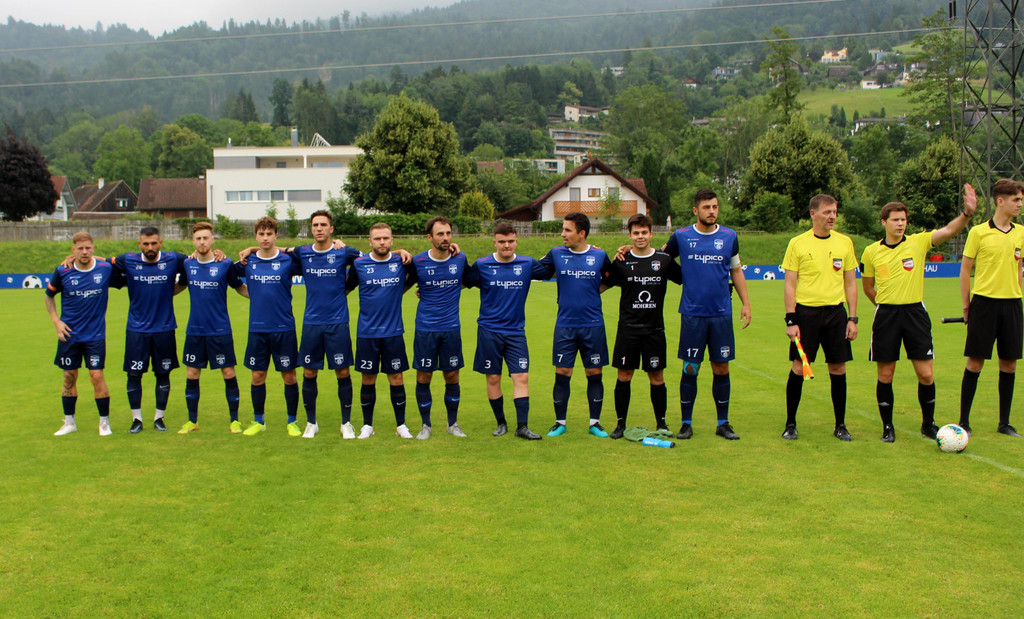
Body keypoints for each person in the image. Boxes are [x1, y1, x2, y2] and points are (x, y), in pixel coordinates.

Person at [860, 188, 977, 442]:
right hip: (886, 315)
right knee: (886, 375)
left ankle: (928, 424)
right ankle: (888, 427)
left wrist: (967, 214)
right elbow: (868, 287)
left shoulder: (918, 242)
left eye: (903, 219)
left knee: (926, 374)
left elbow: (948, 230)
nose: (900, 223)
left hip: (915, 313)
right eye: (895, 219)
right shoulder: (871, 251)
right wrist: (885, 303)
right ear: (884, 222)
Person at [664, 189, 751, 440]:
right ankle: (686, 423)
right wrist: (683, 279)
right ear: (696, 210)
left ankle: (723, 423)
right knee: (691, 368)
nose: (712, 211)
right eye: (706, 207)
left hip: (721, 313)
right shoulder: (681, 236)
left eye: (715, 207)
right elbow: (661, 259)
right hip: (693, 314)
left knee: (721, 367)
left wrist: (746, 304)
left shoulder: (729, 236)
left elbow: (736, 271)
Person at [782, 194, 859, 441]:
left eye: (834, 212)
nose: (832, 216)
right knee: (799, 366)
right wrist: (791, 320)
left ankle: (840, 425)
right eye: (827, 212)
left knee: (838, 367)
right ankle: (790, 424)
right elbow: (790, 284)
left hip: (836, 314)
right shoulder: (797, 243)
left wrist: (852, 318)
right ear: (813, 214)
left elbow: (850, 283)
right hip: (806, 314)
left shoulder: (845, 243)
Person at [464, 222, 548, 440]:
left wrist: (589, 248)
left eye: (510, 241)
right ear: (495, 242)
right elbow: (463, 282)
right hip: (489, 331)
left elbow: (554, 267)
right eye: (502, 241)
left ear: (516, 241)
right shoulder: (482, 264)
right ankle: (501, 423)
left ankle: (522, 427)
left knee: (522, 376)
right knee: (493, 378)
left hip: (516, 332)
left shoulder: (527, 264)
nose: (506, 245)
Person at [605, 213, 681, 438]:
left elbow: (686, 279)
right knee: (624, 376)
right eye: (636, 233)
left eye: (644, 232)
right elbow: (601, 285)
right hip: (627, 330)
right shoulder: (621, 261)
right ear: (629, 235)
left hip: (654, 330)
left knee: (657, 378)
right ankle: (620, 425)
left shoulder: (664, 260)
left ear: (651, 234)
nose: (640, 236)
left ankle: (662, 424)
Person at [959, 178, 1024, 438]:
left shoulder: (1020, 233)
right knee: (975, 363)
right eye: (1016, 200)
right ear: (1000, 201)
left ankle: (1004, 423)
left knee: (1009, 365)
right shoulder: (978, 232)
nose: (1020, 204)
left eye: (1021, 200)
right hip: (984, 304)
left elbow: (1018, 268)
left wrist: (1017, 292)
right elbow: (965, 271)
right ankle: (964, 422)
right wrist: (967, 306)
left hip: (1012, 305)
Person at [539, 212, 613, 438]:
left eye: (567, 230)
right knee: (562, 372)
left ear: (581, 233)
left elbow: (612, 278)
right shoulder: (556, 253)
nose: (563, 234)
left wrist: (593, 291)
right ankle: (560, 422)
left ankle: (595, 423)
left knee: (594, 372)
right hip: (565, 325)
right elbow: (535, 269)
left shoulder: (599, 255)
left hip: (593, 325)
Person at [110, 226, 188, 434]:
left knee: (163, 373)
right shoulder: (128, 260)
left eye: (154, 243)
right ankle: (136, 419)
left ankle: (159, 418)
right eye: (146, 244)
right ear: (139, 244)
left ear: (160, 243)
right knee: (134, 374)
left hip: (164, 329)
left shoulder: (174, 259)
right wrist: (72, 258)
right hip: (137, 330)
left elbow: (197, 260)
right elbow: (100, 262)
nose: (150, 247)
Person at [291, 211, 361, 439]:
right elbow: (276, 250)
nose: (319, 228)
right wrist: (251, 249)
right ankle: (311, 423)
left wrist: (399, 252)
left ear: (331, 229)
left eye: (323, 224)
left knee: (343, 371)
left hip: (337, 323)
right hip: (312, 323)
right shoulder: (302, 252)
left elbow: (374, 257)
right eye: (315, 225)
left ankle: (346, 423)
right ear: (311, 229)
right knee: (309, 371)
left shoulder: (344, 252)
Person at [45, 232, 122, 436]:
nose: (84, 252)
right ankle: (69, 423)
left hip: (95, 336)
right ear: (73, 250)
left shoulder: (105, 269)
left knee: (96, 376)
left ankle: (104, 423)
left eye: (88, 248)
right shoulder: (63, 271)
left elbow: (126, 269)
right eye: (80, 248)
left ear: (93, 248)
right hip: (69, 335)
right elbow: (48, 296)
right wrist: (56, 322)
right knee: (69, 376)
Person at [233, 217, 302, 436]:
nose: (265, 238)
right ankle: (258, 421)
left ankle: (292, 421)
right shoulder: (248, 262)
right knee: (257, 377)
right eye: (261, 234)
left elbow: (309, 253)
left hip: (284, 328)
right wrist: (250, 294)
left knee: (289, 376)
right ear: (256, 236)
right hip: (257, 329)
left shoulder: (288, 261)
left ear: (276, 236)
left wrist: (252, 248)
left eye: (269, 234)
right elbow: (230, 276)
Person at [178, 221, 248, 434]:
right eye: (198, 238)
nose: (202, 242)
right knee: (192, 374)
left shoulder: (224, 264)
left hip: (220, 330)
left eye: (205, 238)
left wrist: (263, 297)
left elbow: (240, 288)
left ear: (212, 240)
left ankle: (234, 421)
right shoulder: (187, 264)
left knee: (228, 372)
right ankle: (192, 421)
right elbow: (178, 287)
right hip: (195, 331)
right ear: (193, 241)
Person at [345, 222, 413, 439]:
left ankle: (401, 425)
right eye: (377, 238)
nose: (382, 242)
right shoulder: (359, 264)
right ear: (370, 241)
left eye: (385, 238)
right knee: (368, 379)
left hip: (393, 332)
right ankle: (367, 425)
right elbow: (345, 289)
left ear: (392, 240)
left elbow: (418, 275)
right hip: (367, 333)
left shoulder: (402, 262)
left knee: (397, 378)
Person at [408, 216, 469, 439]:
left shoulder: (460, 259)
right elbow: (400, 281)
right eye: (440, 234)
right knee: (424, 376)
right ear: (430, 237)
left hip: (451, 328)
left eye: (448, 233)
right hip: (426, 329)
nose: (445, 238)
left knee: (452, 375)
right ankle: (426, 425)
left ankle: (453, 424)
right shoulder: (418, 261)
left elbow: (470, 280)